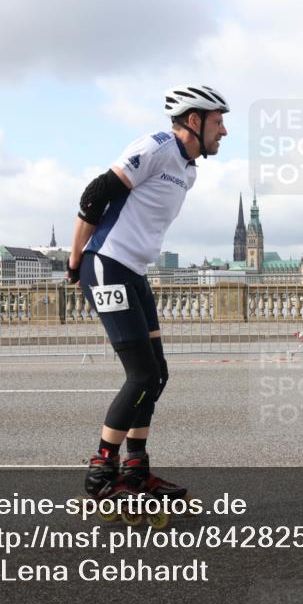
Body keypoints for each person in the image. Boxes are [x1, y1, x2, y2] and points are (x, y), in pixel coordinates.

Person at [66, 84, 229, 502]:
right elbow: (95, 196)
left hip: (133, 271)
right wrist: (75, 260)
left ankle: (136, 469)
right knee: (141, 375)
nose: (224, 131)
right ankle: (102, 471)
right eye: (218, 121)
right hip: (107, 263)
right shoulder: (156, 147)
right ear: (194, 120)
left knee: (158, 374)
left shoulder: (189, 171)